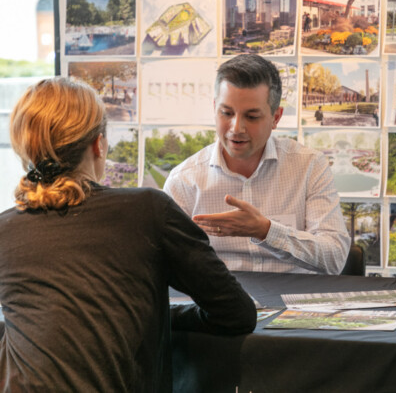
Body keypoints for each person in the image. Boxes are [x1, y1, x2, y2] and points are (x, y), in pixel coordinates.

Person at [0, 77, 256, 391]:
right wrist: (161, 316)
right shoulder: (149, 210)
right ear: (98, 144)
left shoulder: (5, 230)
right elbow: (237, 313)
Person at [164, 54, 350, 274]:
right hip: (222, 303)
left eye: (251, 117)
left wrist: (266, 231)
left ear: (276, 118)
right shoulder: (184, 181)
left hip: (295, 301)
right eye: (226, 113)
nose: (236, 128)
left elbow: (335, 258)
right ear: (215, 108)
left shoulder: (309, 166)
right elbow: (164, 265)